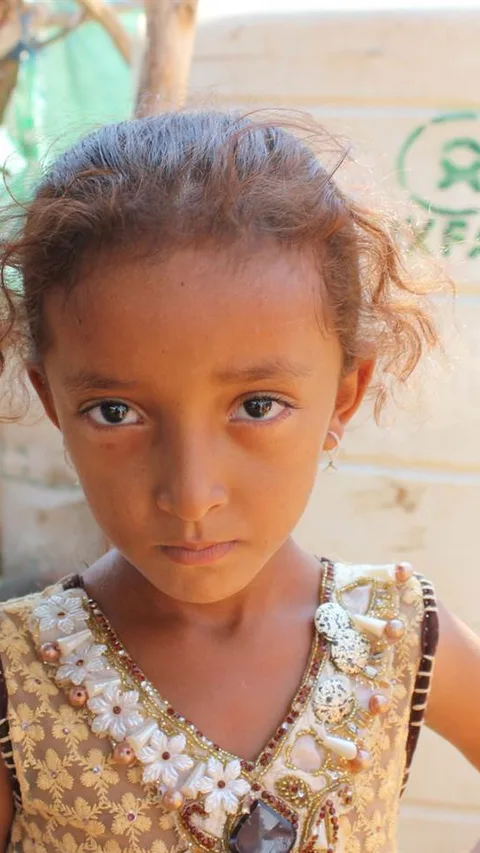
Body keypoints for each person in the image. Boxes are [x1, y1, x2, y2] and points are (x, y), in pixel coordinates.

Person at [0, 111, 478, 853]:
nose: (190, 495)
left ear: (343, 398)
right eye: (115, 411)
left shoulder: (400, 639)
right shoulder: (17, 681)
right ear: (53, 402)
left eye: (257, 406)